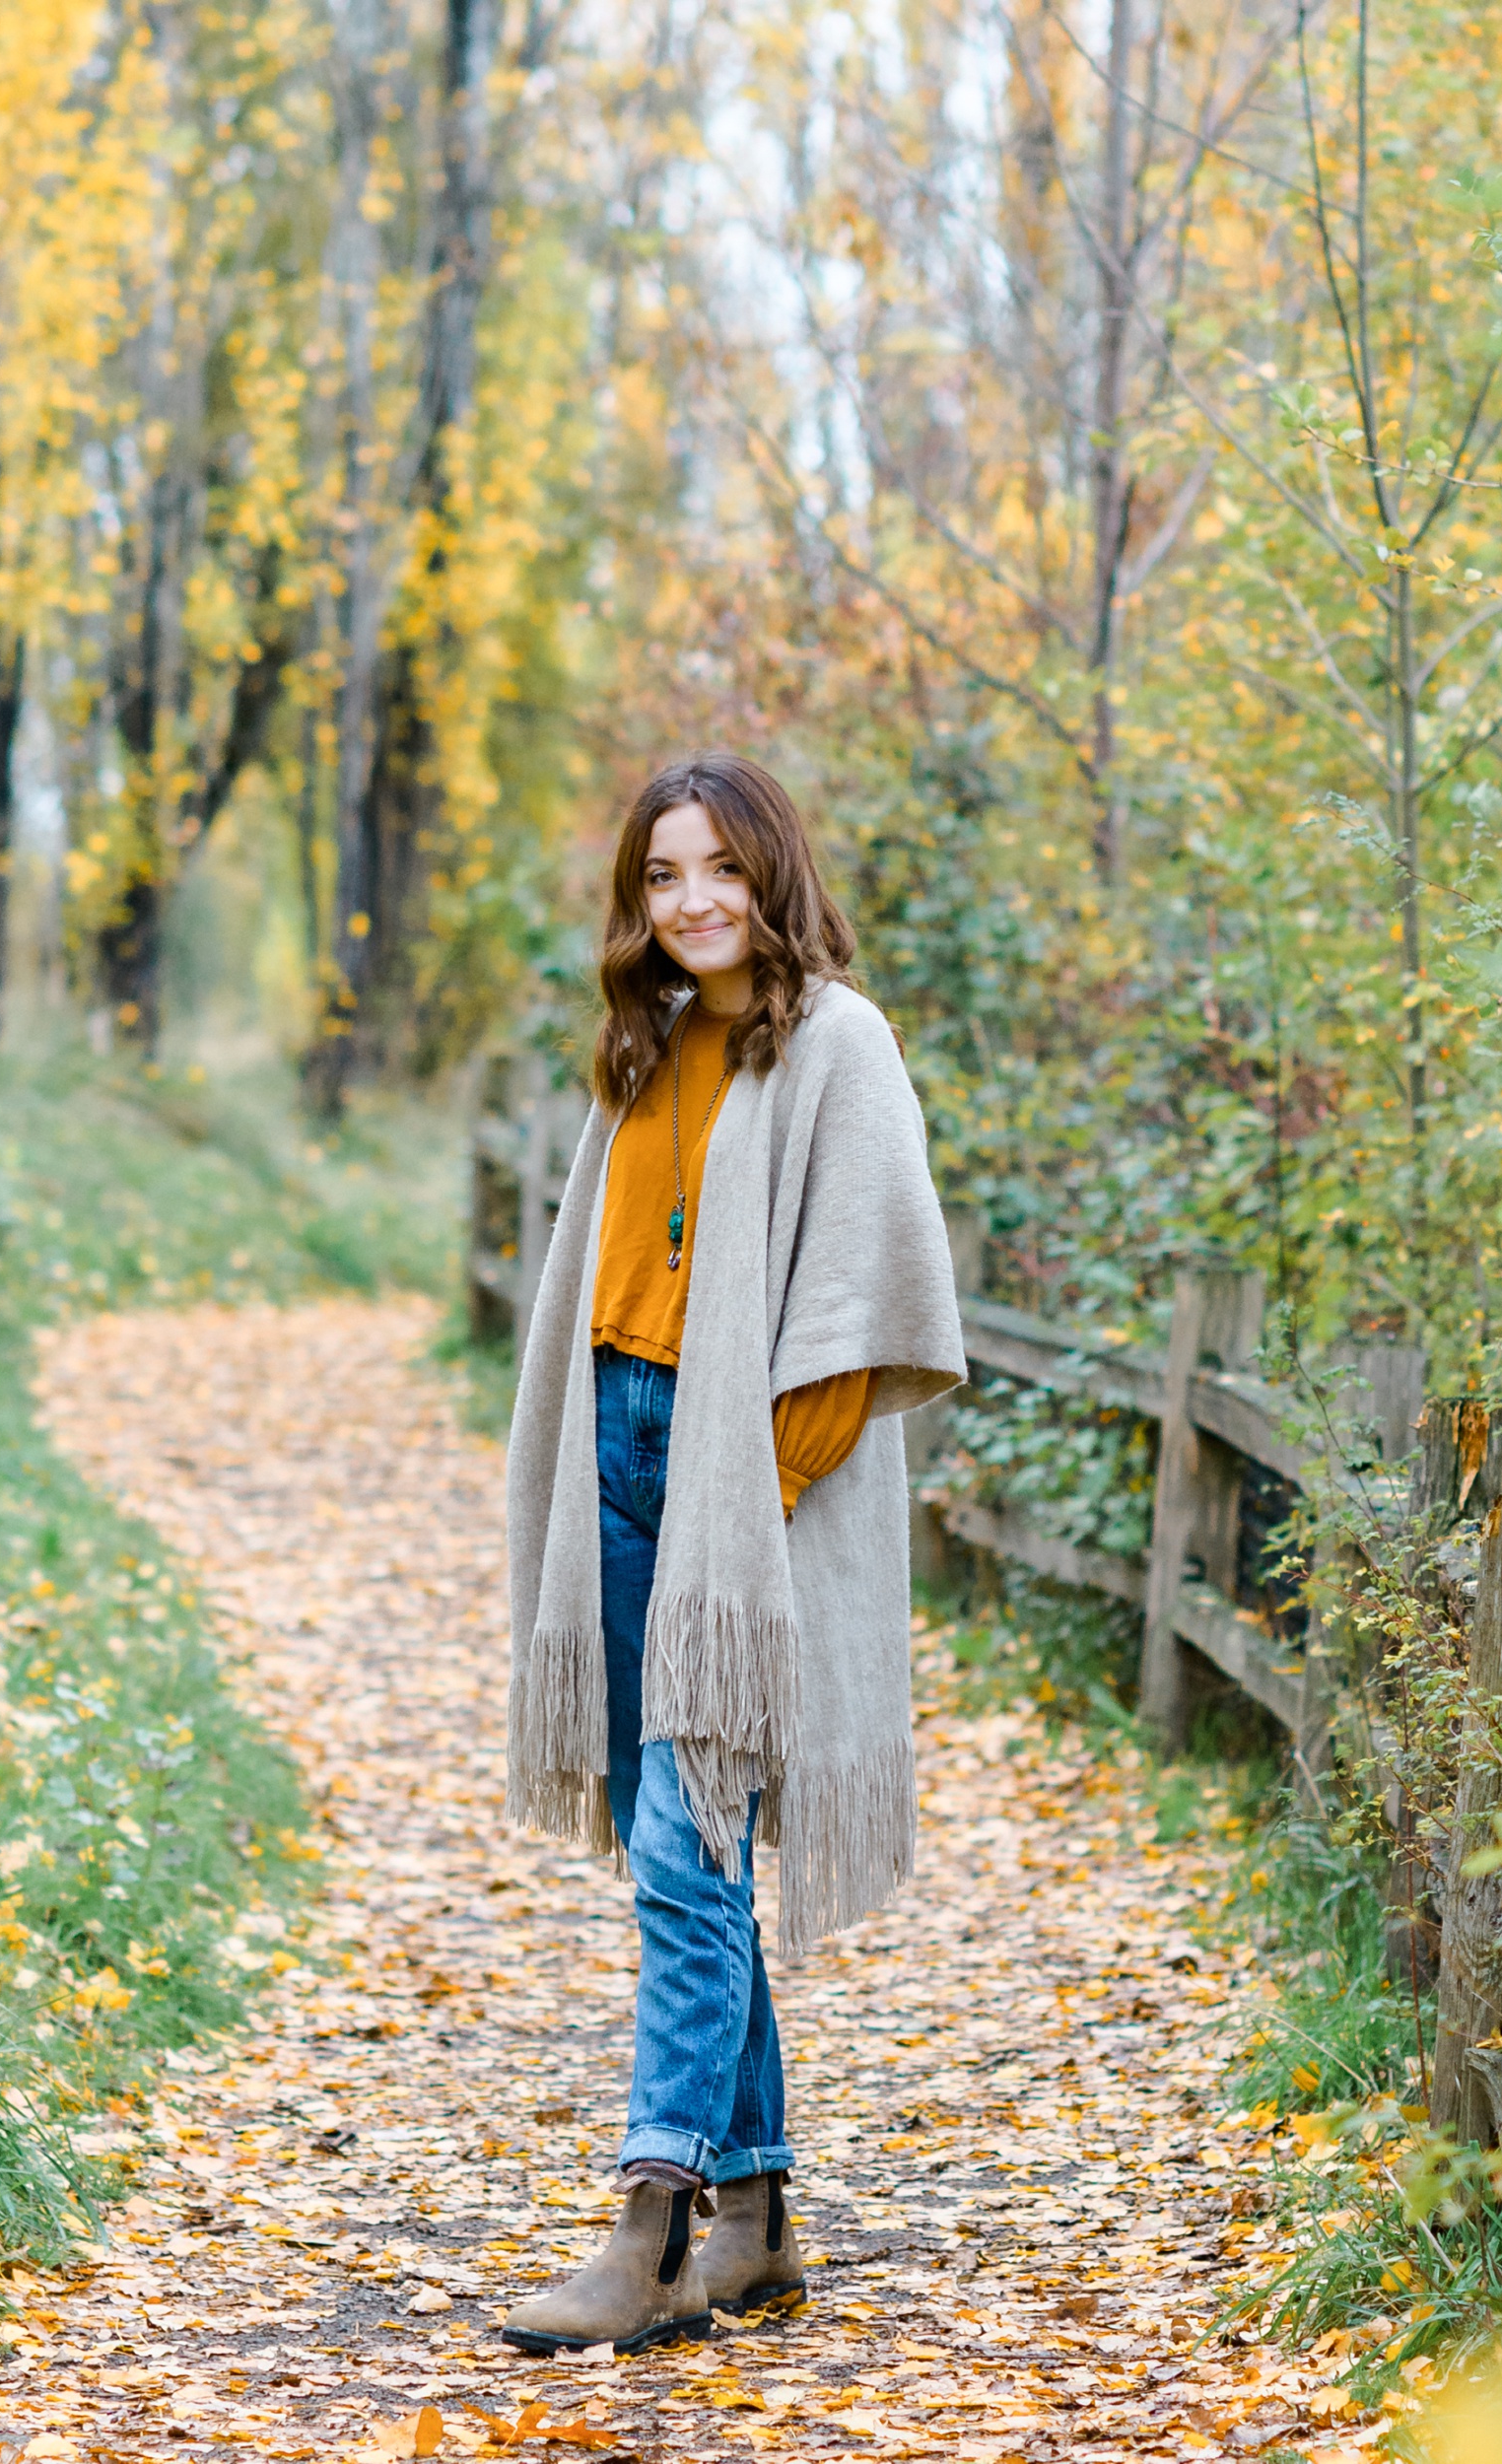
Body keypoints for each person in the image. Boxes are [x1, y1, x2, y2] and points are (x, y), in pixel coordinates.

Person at [498, 752, 967, 2355]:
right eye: (660, 876)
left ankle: (651, 2224)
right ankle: (759, 2222)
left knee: (690, 1851)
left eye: (718, 869)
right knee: (674, 1849)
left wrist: (742, 1506)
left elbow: (860, 1310)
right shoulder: (648, 1048)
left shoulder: (841, 1044)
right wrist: (622, 1480)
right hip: (621, 1458)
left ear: (772, 873)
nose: (692, 901)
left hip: (739, 1486)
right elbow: (602, 1285)